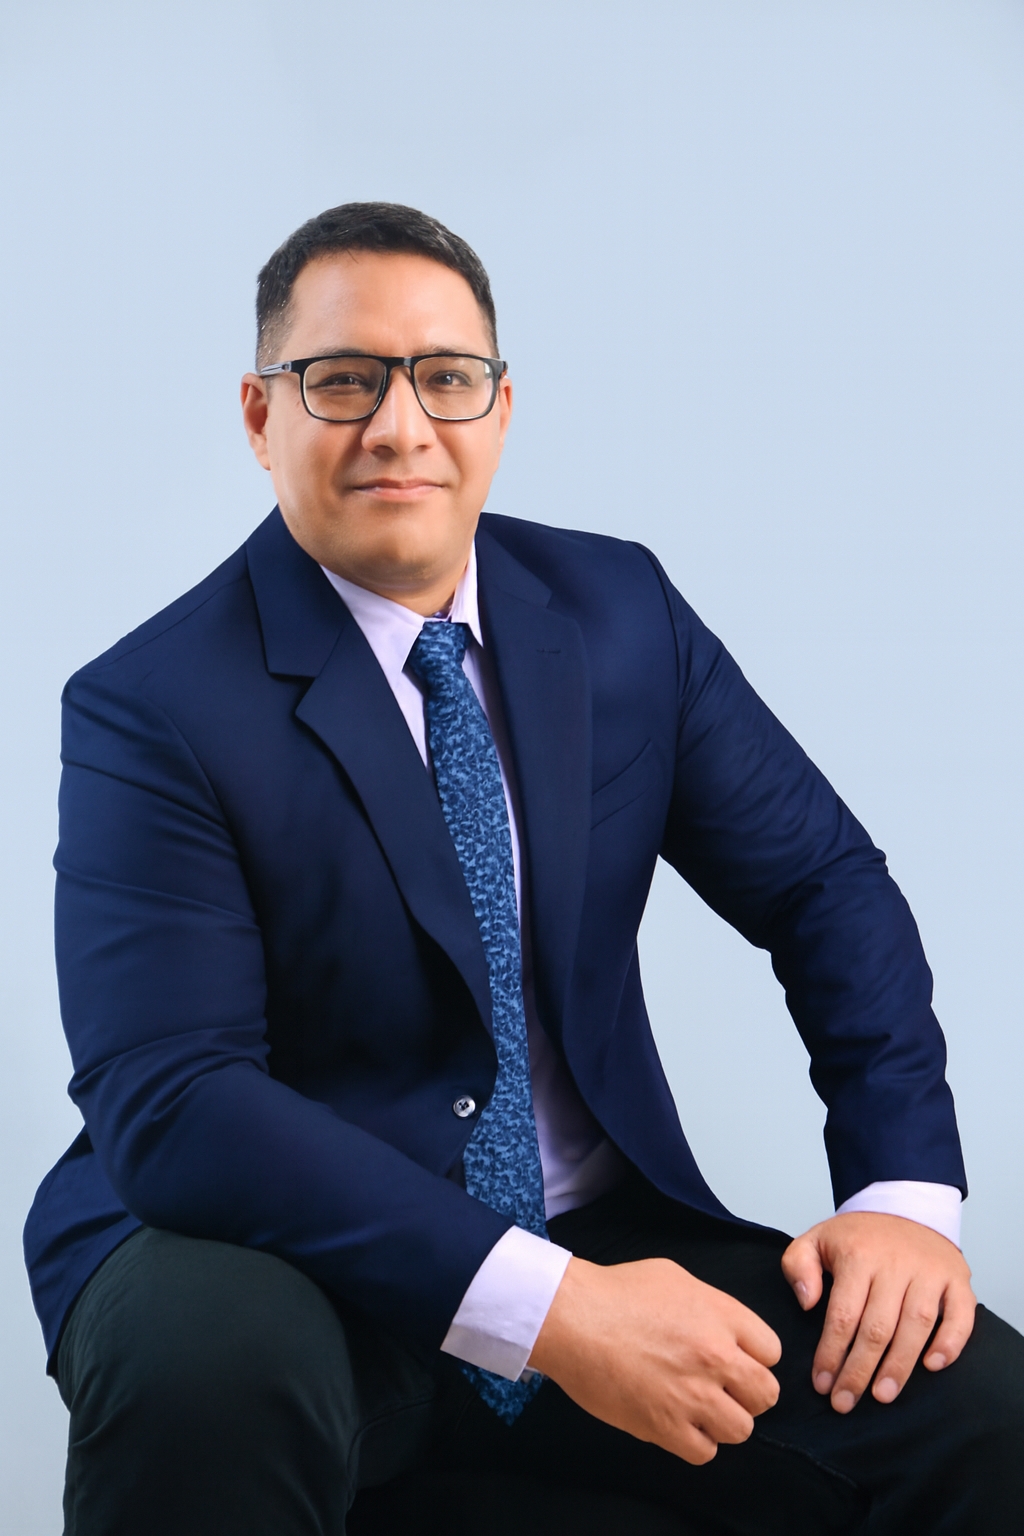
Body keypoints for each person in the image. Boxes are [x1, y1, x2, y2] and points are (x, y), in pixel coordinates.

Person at [25, 202, 1024, 1536]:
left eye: (445, 377)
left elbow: (822, 885)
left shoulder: (620, 616)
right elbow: (178, 1099)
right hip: (253, 1241)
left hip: (589, 1231)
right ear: (262, 418)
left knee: (983, 1407)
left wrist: (903, 1195)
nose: (399, 426)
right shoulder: (152, 705)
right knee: (207, 1373)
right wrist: (552, 1311)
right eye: (342, 380)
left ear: (500, 409)